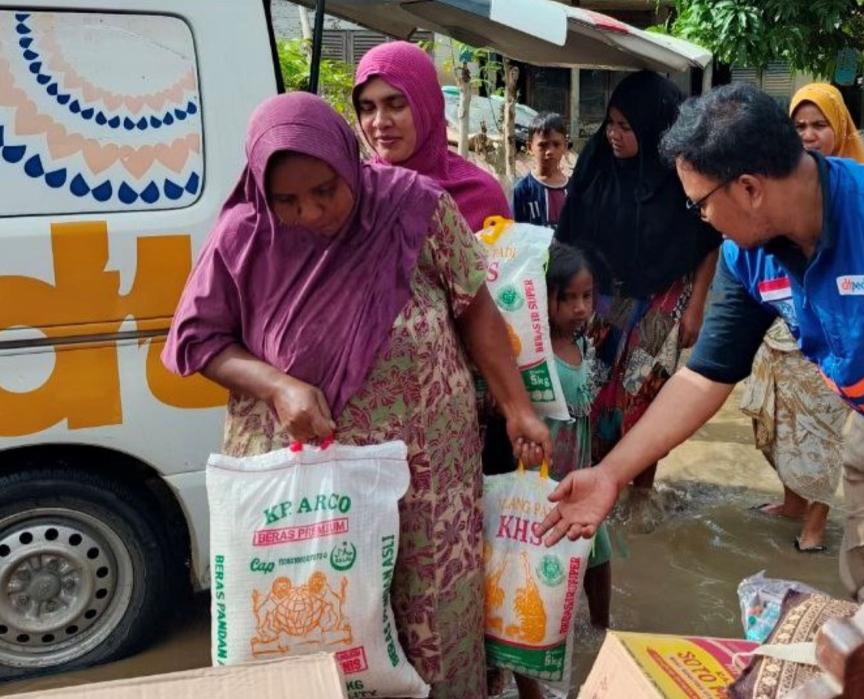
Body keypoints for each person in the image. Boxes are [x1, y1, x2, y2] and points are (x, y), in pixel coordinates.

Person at [539, 84, 864, 602]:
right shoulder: (748, 253)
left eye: (699, 203)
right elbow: (705, 375)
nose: (700, 218)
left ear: (749, 189)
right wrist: (611, 473)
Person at [162, 92, 550, 697]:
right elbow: (198, 339)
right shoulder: (244, 232)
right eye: (286, 200)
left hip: (425, 475)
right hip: (305, 472)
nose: (310, 212)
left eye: (325, 190)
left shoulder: (415, 207)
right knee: (313, 620)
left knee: (435, 620)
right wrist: (278, 384)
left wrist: (518, 407)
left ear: (348, 164)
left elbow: (475, 307)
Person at [556, 71, 719, 489]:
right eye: (610, 123)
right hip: (600, 301)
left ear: (652, 127)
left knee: (644, 397)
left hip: (659, 301)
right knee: (588, 398)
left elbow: (707, 241)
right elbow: (566, 238)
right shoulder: (596, 166)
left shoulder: (681, 180)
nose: (613, 134)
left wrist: (696, 306)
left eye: (626, 127)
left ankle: (641, 494)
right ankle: (594, 484)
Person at [742, 83, 864, 553]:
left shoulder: (859, 191)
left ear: (839, 129)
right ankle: (793, 500)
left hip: (835, 335)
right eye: (800, 126)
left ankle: (815, 522)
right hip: (784, 321)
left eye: (820, 125)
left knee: (822, 432)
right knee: (781, 424)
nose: (810, 135)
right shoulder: (777, 188)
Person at [511, 243, 611, 699]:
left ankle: (604, 632)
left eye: (587, 297)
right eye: (569, 298)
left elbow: (591, 407)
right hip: (546, 485)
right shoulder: (533, 359)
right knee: (538, 574)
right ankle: (534, 667)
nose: (580, 308)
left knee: (600, 555)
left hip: (583, 474)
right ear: (543, 299)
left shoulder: (586, 344)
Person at [352, 41, 511, 231]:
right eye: (367, 108)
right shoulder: (354, 195)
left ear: (428, 105)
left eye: (396, 105)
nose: (380, 122)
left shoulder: (481, 196)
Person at [512, 112, 570, 228]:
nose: (549, 151)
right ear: (529, 147)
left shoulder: (575, 189)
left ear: (565, 146)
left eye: (556, 144)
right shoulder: (522, 190)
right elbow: (517, 234)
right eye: (543, 145)